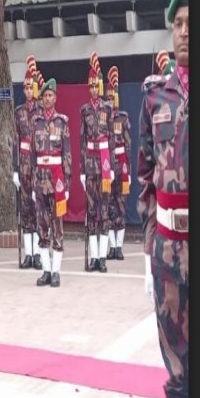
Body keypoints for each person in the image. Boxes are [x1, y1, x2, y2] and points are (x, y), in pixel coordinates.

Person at [137, 0, 188, 398]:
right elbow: (144, 174)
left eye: (193, 22)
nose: (186, 32)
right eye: (179, 24)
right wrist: (150, 241)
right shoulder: (156, 97)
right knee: (175, 360)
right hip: (169, 247)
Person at [31, 78, 72, 288]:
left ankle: (56, 271)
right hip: (40, 181)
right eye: (45, 96)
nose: (47, 99)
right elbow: (31, 156)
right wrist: (31, 183)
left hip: (56, 181)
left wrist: (67, 184)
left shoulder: (62, 122)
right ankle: (46, 270)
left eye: (50, 95)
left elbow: (67, 155)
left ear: (55, 97)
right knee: (42, 225)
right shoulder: (35, 122)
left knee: (57, 226)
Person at [78, 53, 115, 273]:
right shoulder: (84, 110)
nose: (93, 89)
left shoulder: (107, 109)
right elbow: (82, 140)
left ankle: (102, 257)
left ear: (100, 86)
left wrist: (110, 167)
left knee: (105, 211)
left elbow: (111, 139)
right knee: (92, 212)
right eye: (90, 86)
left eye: (96, 86)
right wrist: (82, 170)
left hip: (104, 164)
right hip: (91, 165)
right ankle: (93, 257)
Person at [14, 56, 43, 269]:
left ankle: (40, 253)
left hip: (39, 167)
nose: (27, 90)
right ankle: (29, 253)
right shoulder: (19, 113)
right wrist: (15, 169)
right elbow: (16, 141)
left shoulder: (41, 112)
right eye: (24, 87)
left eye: (29, 86)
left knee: (40, 208)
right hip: (24, 165)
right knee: (25, 210)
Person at [104, 66, 131, 260]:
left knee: (120, 205)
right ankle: (111, 246)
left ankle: (119, 247)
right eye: (107, 97)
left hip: (120, 166)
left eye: (112, 97)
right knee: (107, 205)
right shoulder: (102, 120)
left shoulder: (123, 118)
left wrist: (127, 170)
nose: (110, 100)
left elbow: (128, 146)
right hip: (107, 166)